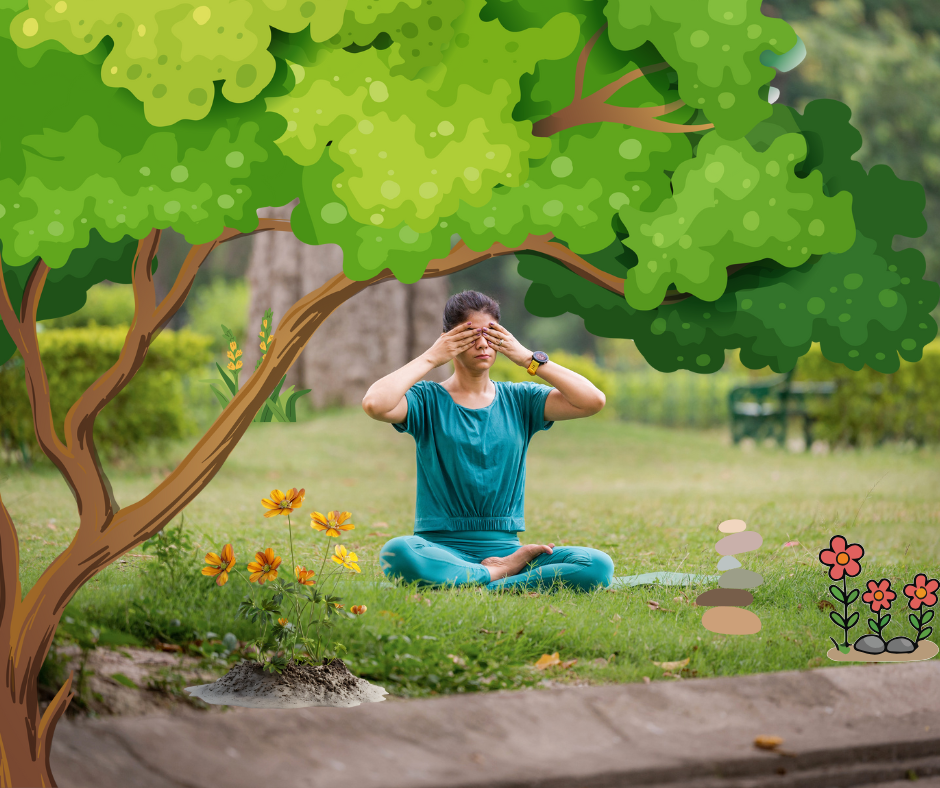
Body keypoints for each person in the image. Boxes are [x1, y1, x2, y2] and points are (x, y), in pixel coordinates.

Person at [361, 290, 614, 592]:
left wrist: (527, 359)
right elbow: (375, 404)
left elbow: (593, 401)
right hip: (440, 550)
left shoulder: (520, 399)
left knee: (596, 565)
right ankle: (498, 576)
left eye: (491, 334)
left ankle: (485, 578)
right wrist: (432, 356)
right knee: (398, 553)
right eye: (470, 335)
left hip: (509, 551)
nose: (482, 343)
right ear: (449, 340)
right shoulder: (426, 400)